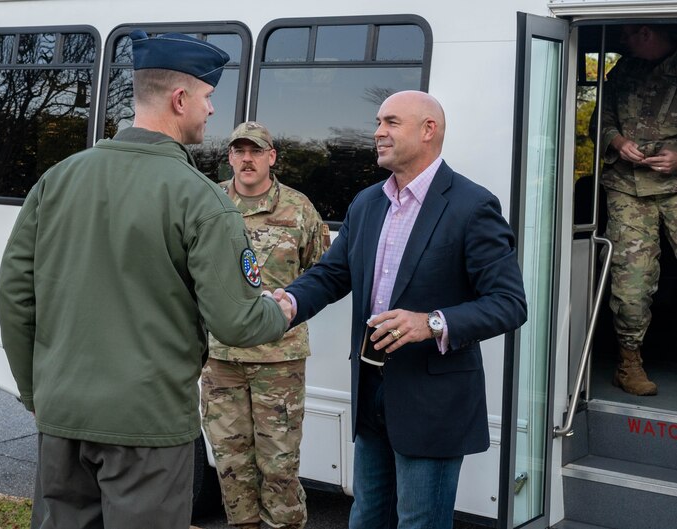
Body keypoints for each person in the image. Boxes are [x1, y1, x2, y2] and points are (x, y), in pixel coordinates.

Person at [0, 30, 292, 529]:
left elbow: (14, 295)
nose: (211, 110)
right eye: (207, 97)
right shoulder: (203, 200)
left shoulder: (58, 178)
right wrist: (280, 310)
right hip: (147, 429)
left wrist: (37, 393)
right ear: (180, 99)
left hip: (62, 417)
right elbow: (237, 321)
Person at [274, 90, 527, 529]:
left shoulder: (472, 206)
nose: (377, 133)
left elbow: (509, 303)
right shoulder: (368, 202)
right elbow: (333, 274)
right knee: (367, 515)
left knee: (420, 521)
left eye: (391, 122)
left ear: (428, 130)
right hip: (371, 388)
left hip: (432, 401)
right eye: (378, 122)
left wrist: (432, 323)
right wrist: (290, 300)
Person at [201, 121, 329, 529]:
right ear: (230, 158)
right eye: (239, 151)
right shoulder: (208, 202)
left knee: (279, 468)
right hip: (221, 359)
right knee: (232, 465)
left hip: (279, 361)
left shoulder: (298, 208)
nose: (247, 159)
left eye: (256, 151)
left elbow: (322, 275)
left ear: (271, 157)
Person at [590, 24, 677, 396]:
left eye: (627, 35)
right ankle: (629, 363)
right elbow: (600, 121)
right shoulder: (623, 70)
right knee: (631, 283)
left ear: (647, 32)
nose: (621, 43)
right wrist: (617, 140)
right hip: (627, 189)